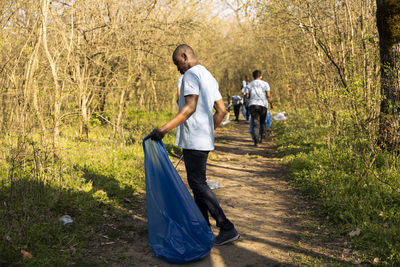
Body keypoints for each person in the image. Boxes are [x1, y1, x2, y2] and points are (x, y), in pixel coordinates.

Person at [148, 44, 239, 246]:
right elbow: (222, 110)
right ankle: (202, 227)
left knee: (198, 183)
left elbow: (189, 108)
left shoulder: (190, 75)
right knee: (197, 183)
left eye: (177, 63)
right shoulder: (208, 76)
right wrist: (207, 132)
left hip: (194, 140)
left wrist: (163, 129)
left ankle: (226, 227)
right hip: (203, 139)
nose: (177, 68)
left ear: (184, 56)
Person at [244, 70, 274, 146]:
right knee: (262, 121)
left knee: (255, 123)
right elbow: (268, 95)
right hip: (263, 105)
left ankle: (256, 141)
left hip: (253, 105)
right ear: (260, 76)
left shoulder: (249, 85)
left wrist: (251, 96)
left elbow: (247, 96)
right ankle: (263, 135)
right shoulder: (265, 84)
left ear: (253, 76)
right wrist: (271, 103)